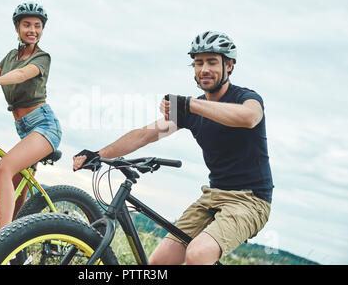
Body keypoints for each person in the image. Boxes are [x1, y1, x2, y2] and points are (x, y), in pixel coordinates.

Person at [72, 31, 273, 265]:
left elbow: (249, 117)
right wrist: (98, 154)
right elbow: (145, 135)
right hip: (213, 195)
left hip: (251, 201)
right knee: (159, 263)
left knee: (198, 254)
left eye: (212, 62)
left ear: (229, 65)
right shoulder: (191, 110)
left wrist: (189, 104)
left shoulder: (246, 97)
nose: (204, 69)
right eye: (198, 63)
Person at [0, 2, 62, 230]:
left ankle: (0, 241)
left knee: (2, 169)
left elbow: (22, 74)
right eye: (27, 25)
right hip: (25, 130)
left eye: (37, 26)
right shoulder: (9, 57)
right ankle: (17, 247)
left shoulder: (42, 57)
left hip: (44, 127)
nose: (32, 30)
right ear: (17, 27)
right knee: (16, 197)